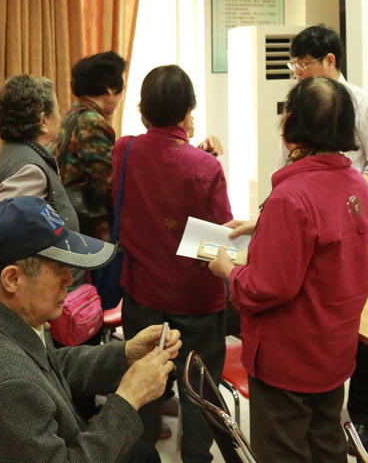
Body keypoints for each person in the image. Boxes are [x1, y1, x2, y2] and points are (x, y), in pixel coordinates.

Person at [0, 196, 180, 463]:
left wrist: (126, 355)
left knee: (143, 453)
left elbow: (48, 367)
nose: (69, 279)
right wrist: (129, 398)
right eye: (59, 269)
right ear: (13, 278)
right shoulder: (6, 384)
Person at [209, 77, 368, 463]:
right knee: (326, 443)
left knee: (283, 451)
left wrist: (227, 270)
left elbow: (267, 287)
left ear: (289, 130)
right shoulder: (356, 183)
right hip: (332, 349)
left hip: (288, 357)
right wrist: (265, 225)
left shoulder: (291, 196)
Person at [280, 25, 368, 452]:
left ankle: (364, 416)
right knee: (308, 316)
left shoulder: (365, 105)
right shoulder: (299, 104)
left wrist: (334, 193)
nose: (298, 72)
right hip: (303, 221)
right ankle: (319, 410)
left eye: (304, 64)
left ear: (330, 61)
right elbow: (286, 167)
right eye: (294, 65)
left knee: (352, 320)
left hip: (347, 226)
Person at [113, 65, 233, 463]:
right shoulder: (206, 168)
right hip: (195, 297)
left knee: (143, 376)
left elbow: (156, 171)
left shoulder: (124, 150)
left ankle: (142, 451)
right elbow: (219, 237)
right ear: (188, 109)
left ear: (143, 109)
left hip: (142, 292)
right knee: (199, 384)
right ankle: (196, 456)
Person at [0, 75, 87, 287]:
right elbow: (2, 237)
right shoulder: (29, 169)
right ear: (43, 121)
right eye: (57, 109)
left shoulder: (8, 153)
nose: (60, 116)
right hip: (42, 291)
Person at [53, 51, 125, 241]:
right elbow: (107, 183)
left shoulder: (72, 115)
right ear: (110, 87)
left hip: (67, 218)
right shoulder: (92, 121)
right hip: (89, 228)